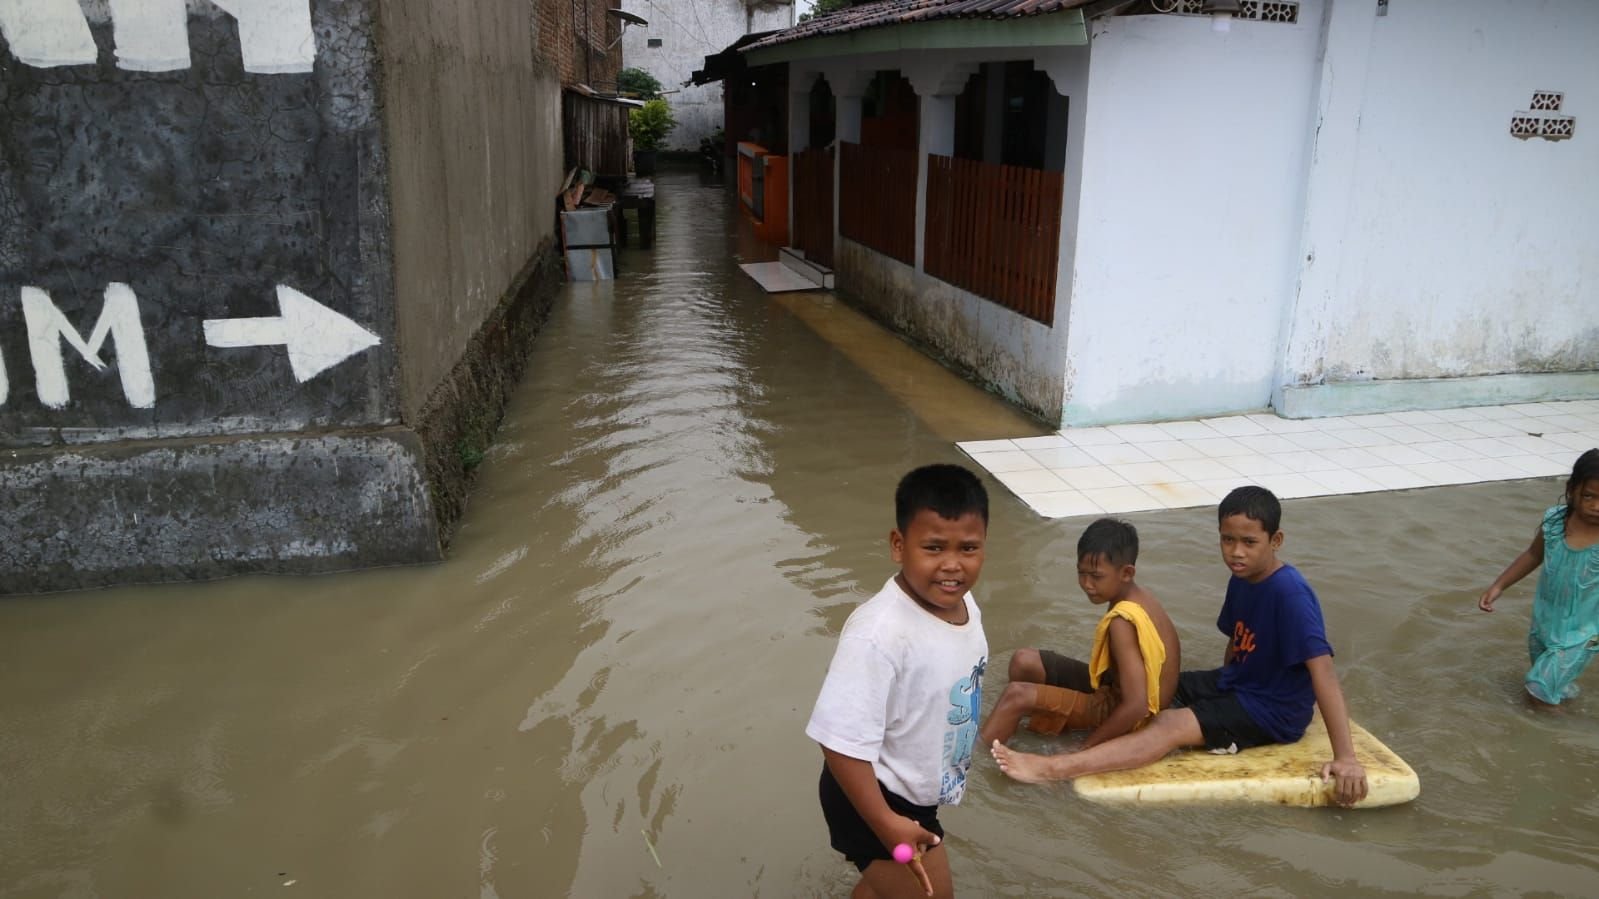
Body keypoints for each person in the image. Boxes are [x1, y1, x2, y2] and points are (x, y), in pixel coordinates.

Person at [991, 485, 1369, 808]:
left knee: (1169, 721)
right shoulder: (1243, 577)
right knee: (1158, 690)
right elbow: (1235, 644)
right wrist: (1221, 690)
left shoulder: (1291, 594)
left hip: (1272, 710)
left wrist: (1346, 758)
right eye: (1227, 539)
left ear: (1276, 540)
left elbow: (1323, 673)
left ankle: (1054, 768)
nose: (1236, 552)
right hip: (1235, 684)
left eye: (1249, 542)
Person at [807, 464, 990, 899]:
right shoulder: (879, 634)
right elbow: (837, 741)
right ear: (897, 544)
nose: (952, 565)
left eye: (968, 548)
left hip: (910, 793)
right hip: (873, 799)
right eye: (932, 547)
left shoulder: (963, 603)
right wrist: (886, 825)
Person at [978, 518, 1181, 751]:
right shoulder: (1138, 597)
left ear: (1126, 572)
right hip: (1114, 690)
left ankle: (971, 761)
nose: (1086, 584)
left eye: (1096, 576)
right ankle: (1028, 721)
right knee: (1023, 661)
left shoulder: (1121, 621)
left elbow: (1137, 705)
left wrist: (1085, 749)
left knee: (1015, 696)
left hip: (1126, 715)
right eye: (1081, 573)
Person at [1478, 448, 1599, 706]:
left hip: (1586, 634)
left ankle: (1557, 738)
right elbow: (1533, 555)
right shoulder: (1556, 522)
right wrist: (1499, 586)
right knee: (1554, 687)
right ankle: (1571, 710)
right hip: (1544, 624)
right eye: (1589, 496)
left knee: (1538, 689)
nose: (1596, 506)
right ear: (1572, 489)